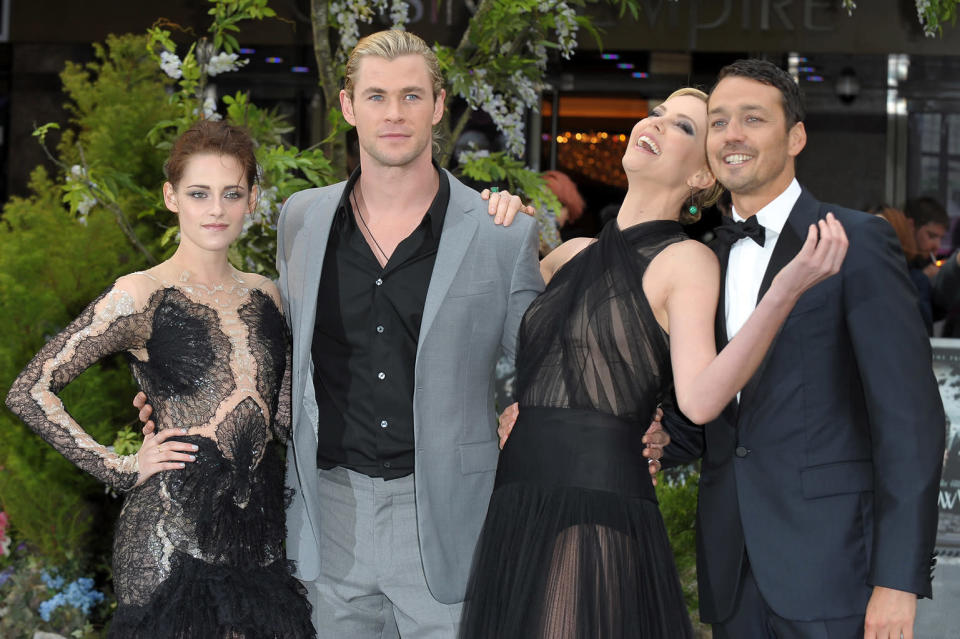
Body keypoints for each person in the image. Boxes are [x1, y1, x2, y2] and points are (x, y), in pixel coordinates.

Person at [462, 87, 848, 639]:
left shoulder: (687, 261)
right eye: (658, 113)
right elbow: (480, 338)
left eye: (684, 127)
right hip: (518, 500)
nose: (657, 123)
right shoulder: (568, 255)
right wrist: (497, 225)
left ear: (702, 179)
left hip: (595, 506)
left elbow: (699, 399)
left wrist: (782, 293)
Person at [661, 60, 944, 639]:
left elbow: (910, 423)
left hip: (837, 572)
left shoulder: (855, 242)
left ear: (795, 137)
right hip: (731, 573)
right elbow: (712, 417)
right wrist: (649, 435)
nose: (731, 134)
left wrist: (898, 580)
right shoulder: (702, 259)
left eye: (752, 118)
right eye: (718, 122)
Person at [4, 120, 315, 638]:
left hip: (256, 532)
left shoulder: (269, 295)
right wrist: (123, 466)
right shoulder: (141, 293)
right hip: (167, 533)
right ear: (171, 197)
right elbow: (30, 390)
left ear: (253, 199)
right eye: (199, 193)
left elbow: (281, 418)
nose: (215, 209)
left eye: (231, 193)